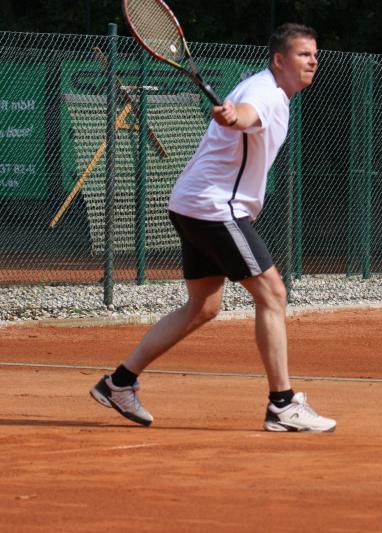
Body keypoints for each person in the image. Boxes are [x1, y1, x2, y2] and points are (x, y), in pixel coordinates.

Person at [90, 23, 335, 432]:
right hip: (213, 207)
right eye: (303, 54)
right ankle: (282, 405)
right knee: (273, 294)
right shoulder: (264, 91)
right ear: (279, 60)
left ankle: (119, 382)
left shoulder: (270, 91)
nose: (313, 61)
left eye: (314, 54)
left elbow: (243, 117)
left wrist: (235, 117)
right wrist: (234, 117)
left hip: (193, 204)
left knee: (203, 307)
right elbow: (247, 114)